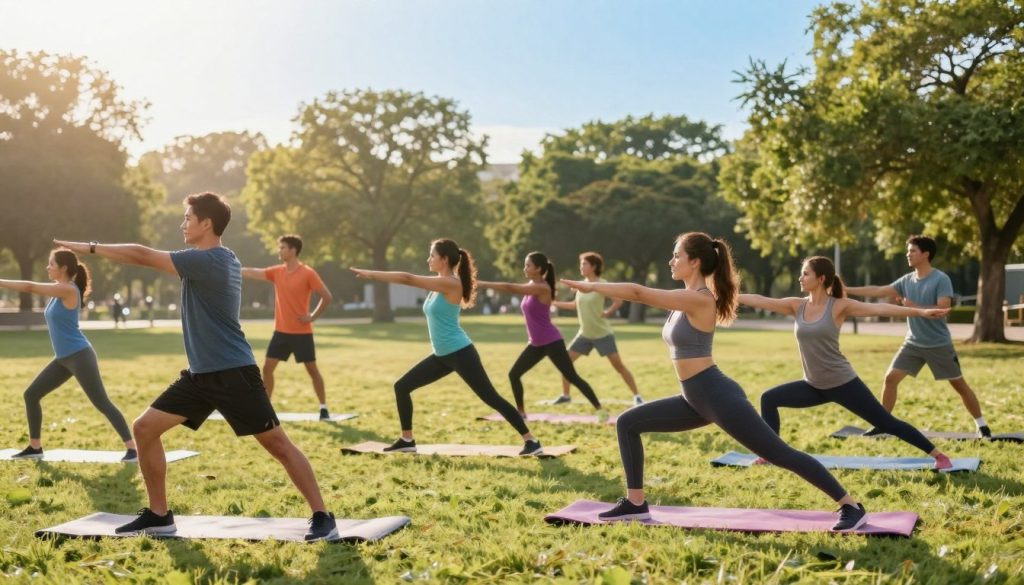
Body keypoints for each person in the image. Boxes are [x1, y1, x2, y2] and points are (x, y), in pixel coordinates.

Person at [55, 192, 338, 540]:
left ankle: (323, 515)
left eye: (188, 218)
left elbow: (142, 255)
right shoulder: (216, 257)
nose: (182, 224)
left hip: (233, 371)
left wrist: (91, 248)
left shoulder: (212, 260)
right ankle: (159, 515)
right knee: (144, 428)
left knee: (277, 443)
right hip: (200, 375)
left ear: (206, 223)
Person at [561, 232, 868, 531]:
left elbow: (639, 293)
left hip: (715, 394)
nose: (671, 261)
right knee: (628, 423)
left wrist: (591, 288)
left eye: (677, 255)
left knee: (779, 454)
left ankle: (851, 506)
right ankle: (636, 503)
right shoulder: (683, 300)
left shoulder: (700, 299)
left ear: (694, 262)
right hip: (693, 397)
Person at [739, 256, 953, 469]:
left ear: (821, 278)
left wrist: (920, 312)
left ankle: (939, 456)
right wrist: (731, 295)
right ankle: (770, 454)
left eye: (805, 273)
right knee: (769, 398)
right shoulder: (797, 306)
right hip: (813, 385)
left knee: (886, 423)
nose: (800, 278)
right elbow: (762, 300)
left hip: (843, 384)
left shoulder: (839, 306)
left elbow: (880, 309)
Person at [351, 238, 544, 455]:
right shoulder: (439, 283)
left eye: (432, 255)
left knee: (490, 397)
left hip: (460, 353)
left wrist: (372, 274)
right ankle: (407, 440)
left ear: (444, 259)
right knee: (402, 386)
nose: (428, 259)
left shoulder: (450, 283)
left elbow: (407, 278)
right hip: (442, 355)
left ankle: (531, 441)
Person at [845, 235, 991, 437]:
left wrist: (914, 307)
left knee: (959, 385)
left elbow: (944, 308)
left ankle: (982, 425)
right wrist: (846, 289)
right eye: (908, 251)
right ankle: (883, 423)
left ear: (925, 254)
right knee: (890, 379)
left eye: (912, 251)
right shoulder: (906, 280)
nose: (908, 254)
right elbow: (878, 290)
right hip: (913, 343)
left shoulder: (940, 279)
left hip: (938, 344)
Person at [0, 249, 136, 461]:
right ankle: (35, 447)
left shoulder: (69, 290)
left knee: (101, 402)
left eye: (51, 264)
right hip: (63, 359)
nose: (47, 267)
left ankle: (133, 448)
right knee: (31, 395)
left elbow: (29, 287)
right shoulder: (59, 290)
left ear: (63, 268)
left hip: (80, 355)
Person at [478, 252, 608, 421]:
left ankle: (600, 410)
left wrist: (481, 283)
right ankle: (521, 412)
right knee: (514, 374)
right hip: (536, 344)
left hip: (552, 341)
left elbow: (511, 288)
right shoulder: (532, 285)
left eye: (528, 265)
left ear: (538, 269)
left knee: (572, 377)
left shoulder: (542, 287)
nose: (525, 268)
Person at [242, 235, 334, 419]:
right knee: (267, 369)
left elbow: (327, 296)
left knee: (312, 371)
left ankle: (323, 407)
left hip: (302, 334)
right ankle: (265, 408)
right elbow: (253, 272)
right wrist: (230, 267)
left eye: (282, 247)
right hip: (281, 333)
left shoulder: (308, 273)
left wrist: (312, 316)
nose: (279, 250)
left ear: (293, 250)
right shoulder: (277, 272)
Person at [550, 251, 642, 406]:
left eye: (584, 264)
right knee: (564, 362)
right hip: (584, 334)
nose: (581, 266)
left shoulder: (602, 284)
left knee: (618, 366)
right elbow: (575, 305)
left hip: (602, 334)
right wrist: (554, 303)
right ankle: (566, 395)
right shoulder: (581, 286)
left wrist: (608, 312)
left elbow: (618, 301)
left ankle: (637, 396)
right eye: (581, 264)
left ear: (593, 266)